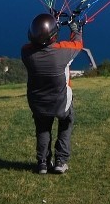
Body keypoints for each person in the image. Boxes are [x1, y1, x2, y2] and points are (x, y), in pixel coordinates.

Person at [21, 12, 84, 174]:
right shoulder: (63, 53)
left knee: (43, 129)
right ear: (53, 36)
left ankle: (43, 163)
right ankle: (60, 161)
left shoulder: (27, 53)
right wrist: (75, 27)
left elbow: (40, 42)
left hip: (38, 103)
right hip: (60, 102)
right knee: (66, 124)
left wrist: (52, 22)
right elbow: (77, 43)